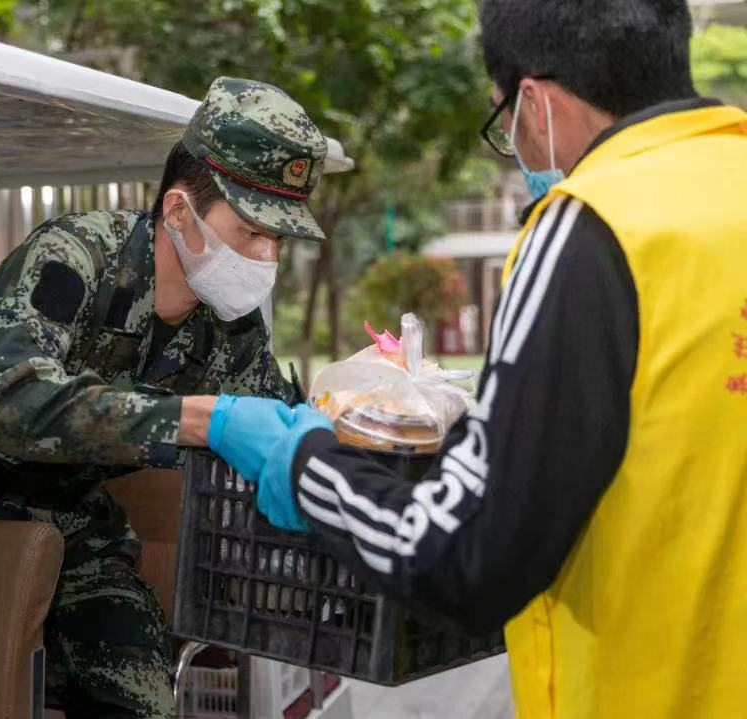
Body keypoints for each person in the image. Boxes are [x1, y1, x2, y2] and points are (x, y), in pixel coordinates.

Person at [206, 2, 747, 717]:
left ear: (534, 101)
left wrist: (303, 462)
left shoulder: (590, 228)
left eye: (504, 122)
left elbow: (464, 556)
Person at [0, 77, 331, 719]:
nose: (266, 256)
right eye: (250, 232)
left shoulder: (232, 330)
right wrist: (196, 420)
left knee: (140, 698)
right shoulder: (76, 257)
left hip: (67, 523)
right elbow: (5, 403)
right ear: (179, 211)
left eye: (279, 239)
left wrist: (358, 422)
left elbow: (274, 428)